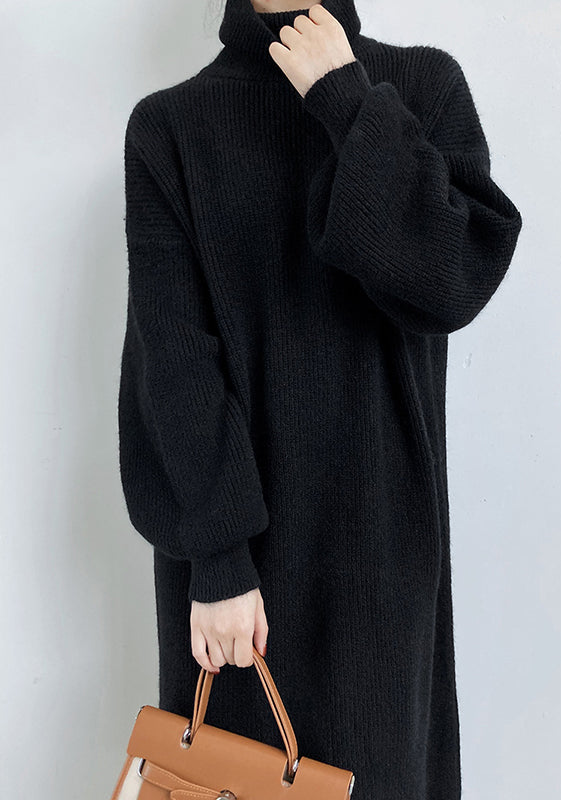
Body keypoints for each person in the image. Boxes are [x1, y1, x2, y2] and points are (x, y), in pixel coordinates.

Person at [118, 0, 523, 797]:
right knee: (231, 777)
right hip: (239, 574)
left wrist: (345, 99)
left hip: (382, 559)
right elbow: (173, 357)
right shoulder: (170, 126)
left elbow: (454, 277)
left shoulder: (420, 87)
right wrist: (219, 558)